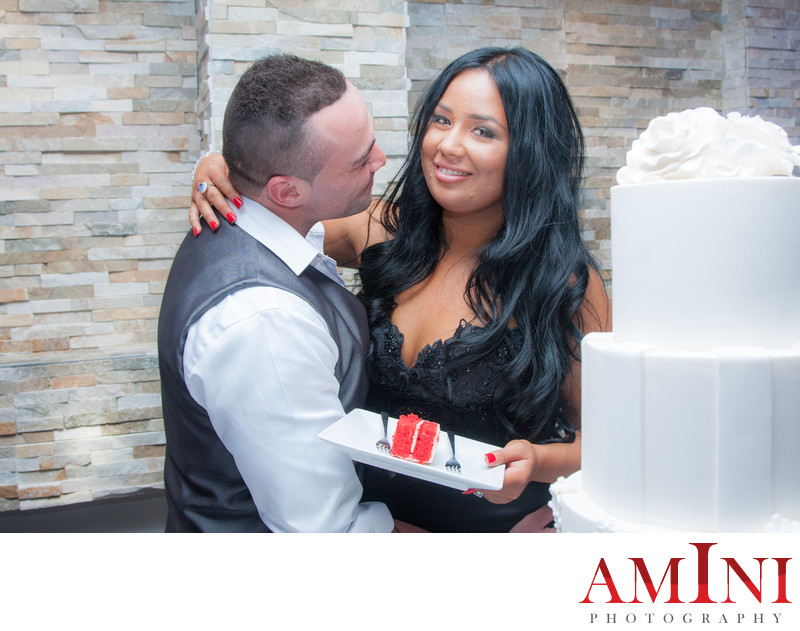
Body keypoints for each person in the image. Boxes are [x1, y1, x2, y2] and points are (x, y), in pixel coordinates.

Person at [189, 47, 612, 532]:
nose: (448, 145)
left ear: (532, 151)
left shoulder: (564, 281)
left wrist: (538, 462)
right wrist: (222, 168)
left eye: (483, 131)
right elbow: (279, 207)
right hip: (372, 529)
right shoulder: (384, 229)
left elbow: (608, 439)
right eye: (441, 119)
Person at [158, 54, 396, 532]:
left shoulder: (264, 217)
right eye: (361, 159)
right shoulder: (263, 322)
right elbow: (326, 532)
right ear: (286, 192)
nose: (381, 160)